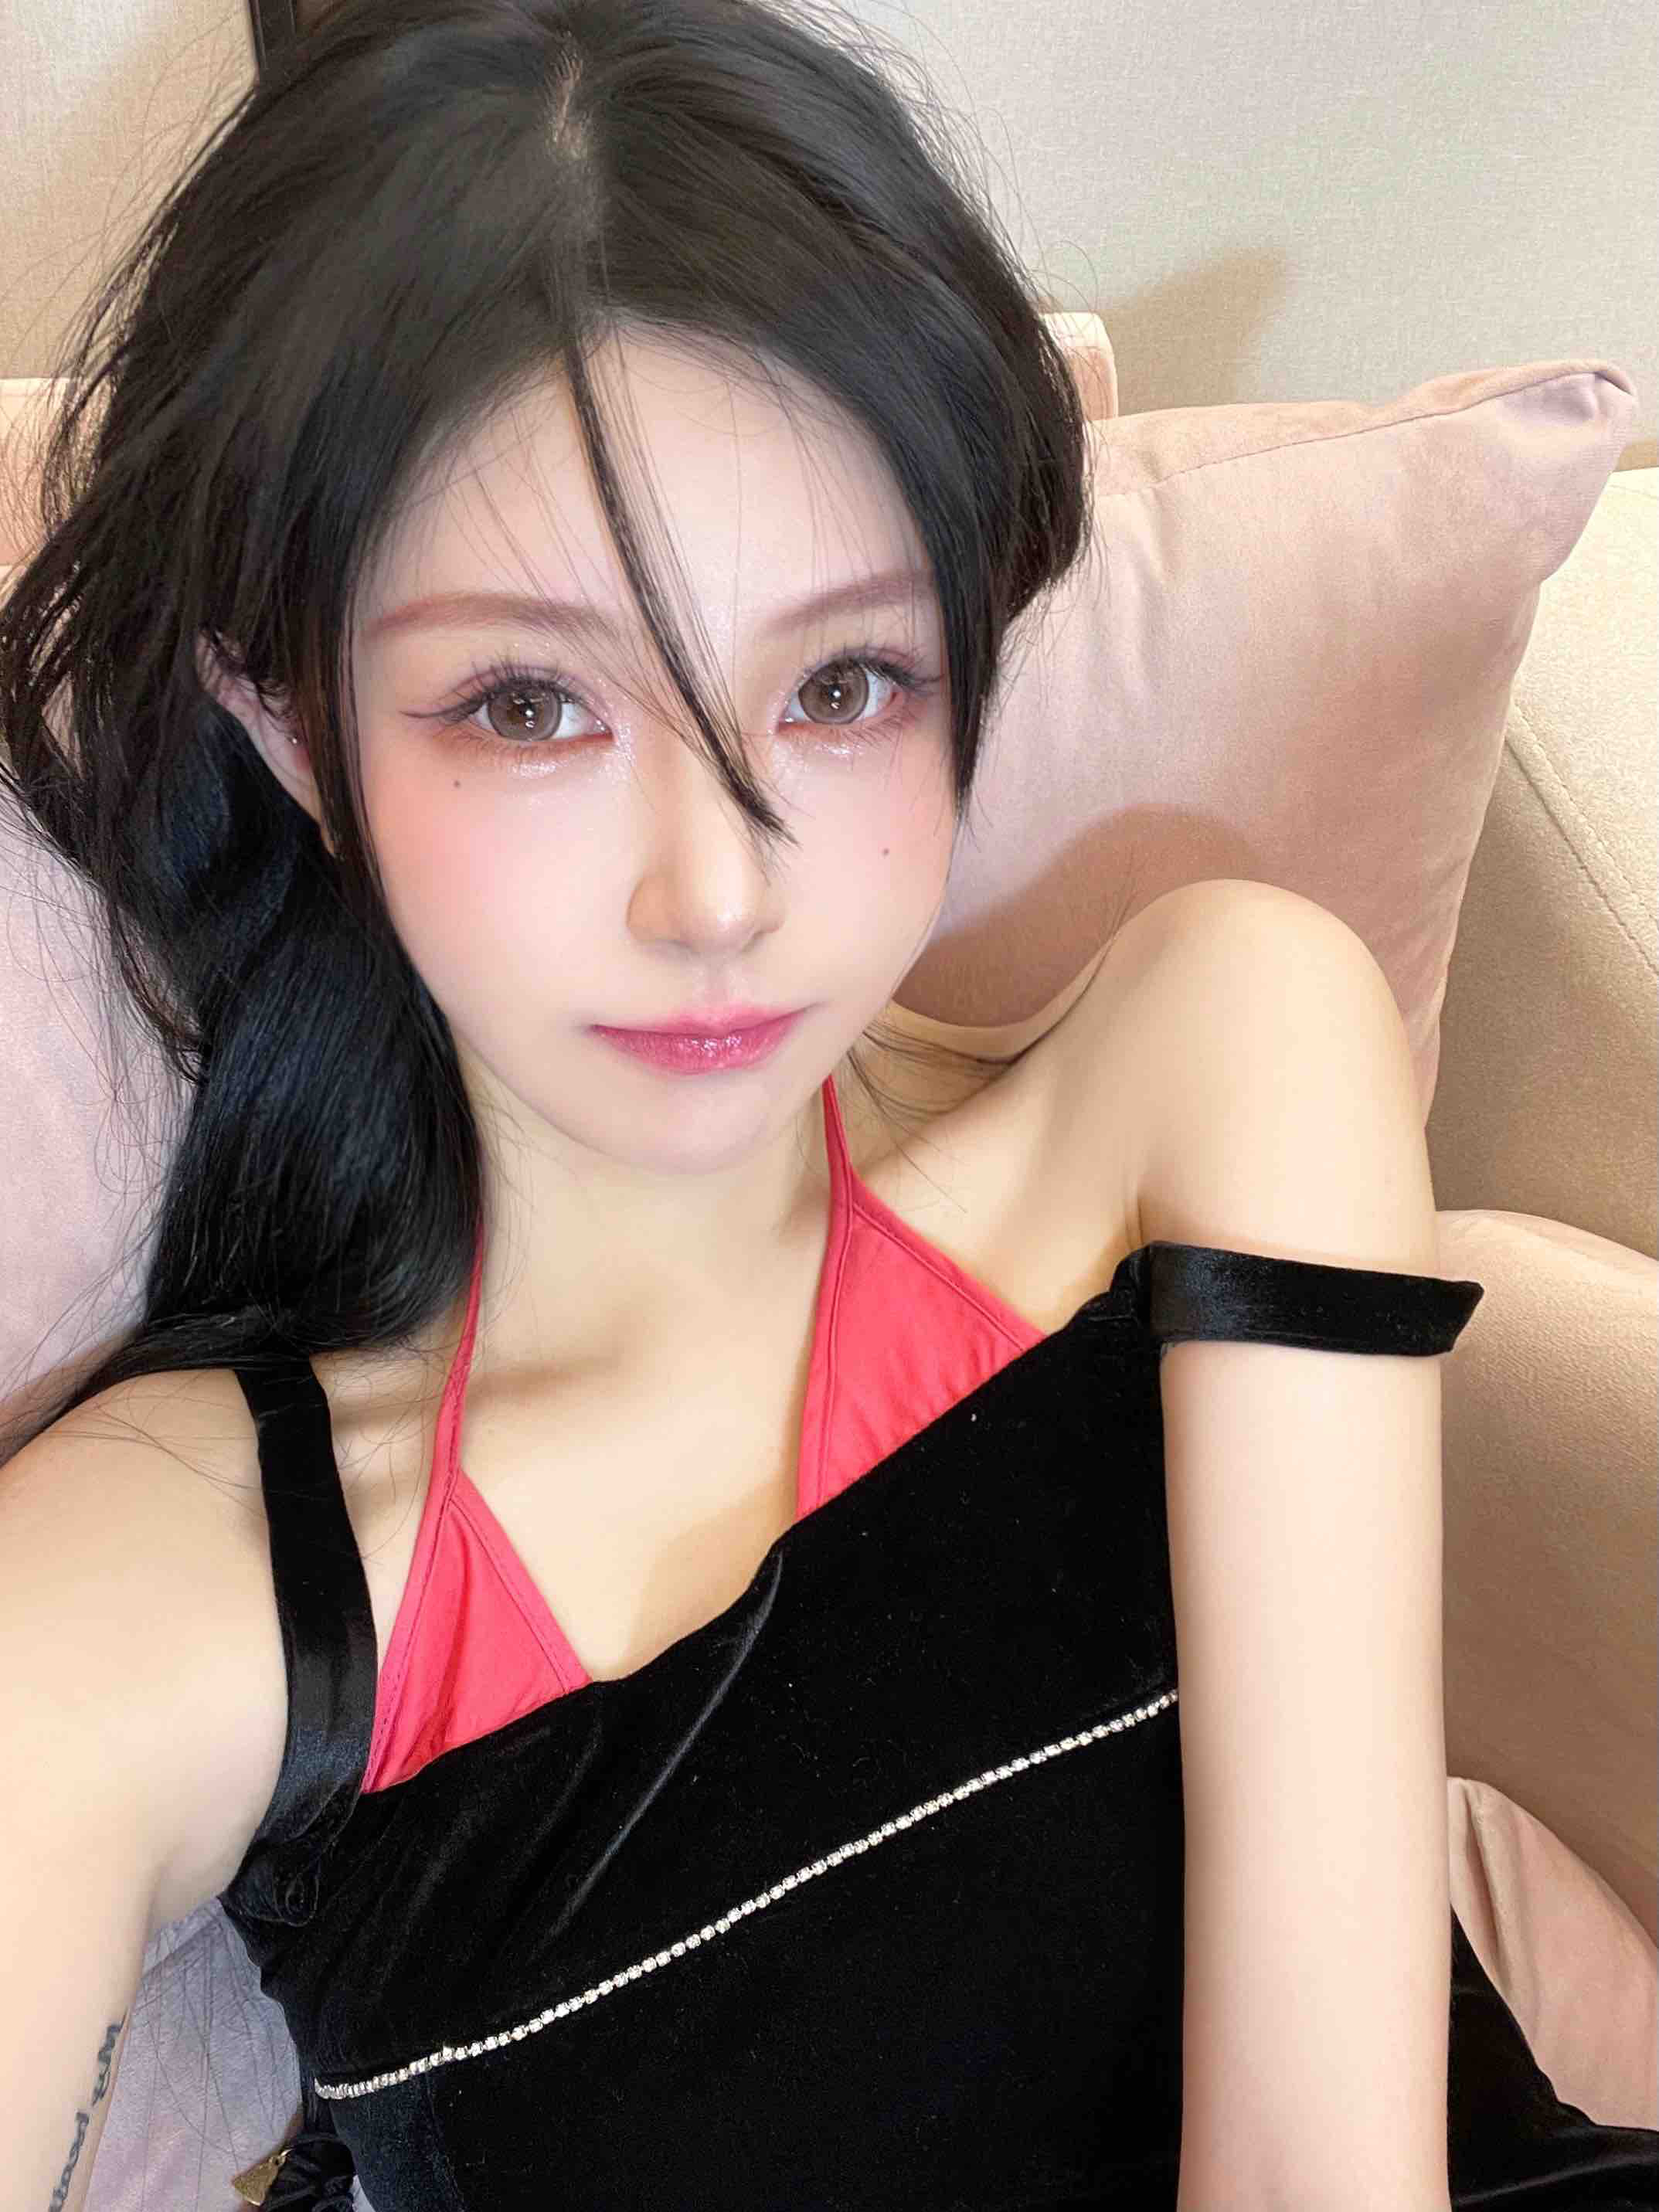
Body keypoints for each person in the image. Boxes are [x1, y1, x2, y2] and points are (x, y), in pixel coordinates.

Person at [2, 2, 1655, 2207]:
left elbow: (1322, 2173)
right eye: (530, 705)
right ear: (293, 722)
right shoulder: (161, 1582)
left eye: (844, 683)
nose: (719, 892)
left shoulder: (1213, 1062)